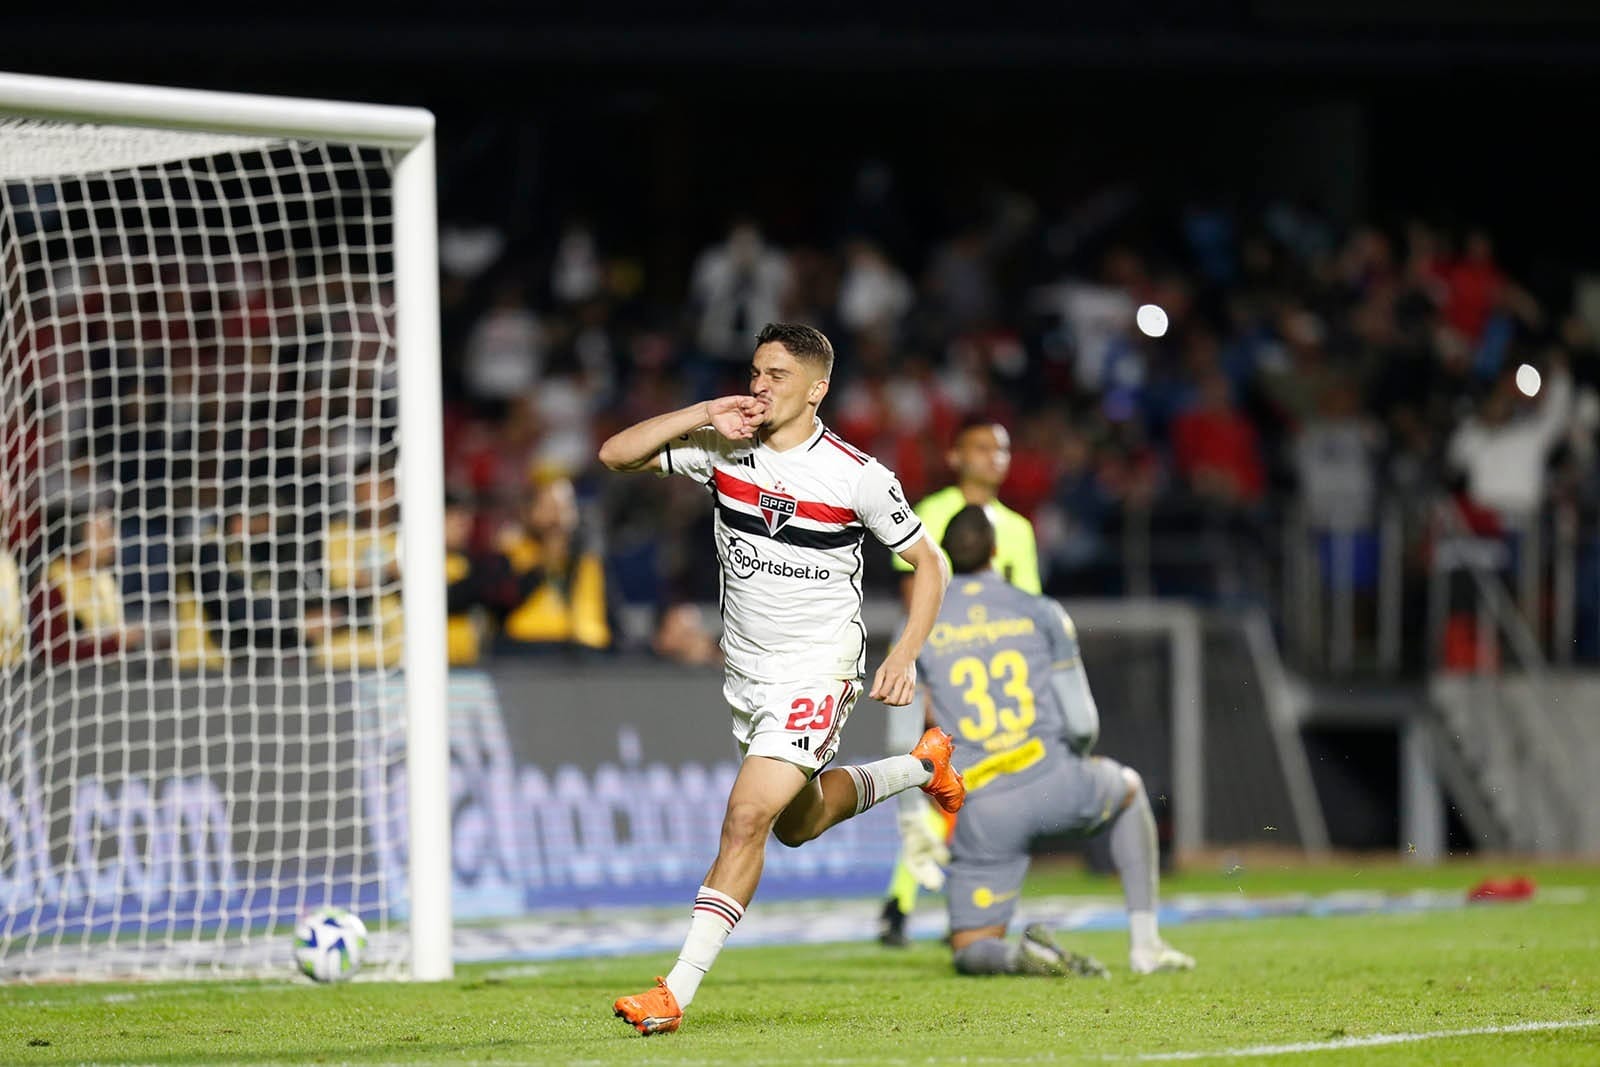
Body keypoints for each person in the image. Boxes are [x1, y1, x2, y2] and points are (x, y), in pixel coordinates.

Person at [599, 321, 959, 1036]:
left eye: (778, 375)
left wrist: (903, 652)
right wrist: (705, 412)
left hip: (819, 670)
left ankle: (674, 992)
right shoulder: (724, 445)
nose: (761, 385)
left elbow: (930, 563)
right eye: (757, 371)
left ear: (817, 388)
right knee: (796, 823)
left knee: (745, 819)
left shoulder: (857, 474)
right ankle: (921, 767)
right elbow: (615, 454)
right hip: (748, 677)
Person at [923, 505, 1194, 978]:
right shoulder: (1039, 610)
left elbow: (908, 738)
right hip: (1052, 780)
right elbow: (1083, 722)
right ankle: (1146, 946)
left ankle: (1015, 957)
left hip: (984, 807)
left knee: (970, 947)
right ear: (995, 550)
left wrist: (916, 816)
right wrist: (1073, 767)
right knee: (1129, 792)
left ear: (947, 556)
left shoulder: (922, 626)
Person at [880, 417, 1041, 947]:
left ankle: (909, 903)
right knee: (934, 784)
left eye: (1002, 447)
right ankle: (912, 902)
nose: (995, 456)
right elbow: (913, 593)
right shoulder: (931, 514)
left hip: (989, 681)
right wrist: (924, 672)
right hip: (934, 669)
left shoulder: (1018, 528)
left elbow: (1026, 608)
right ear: (955, 456)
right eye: (981, 447)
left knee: (968, 788)